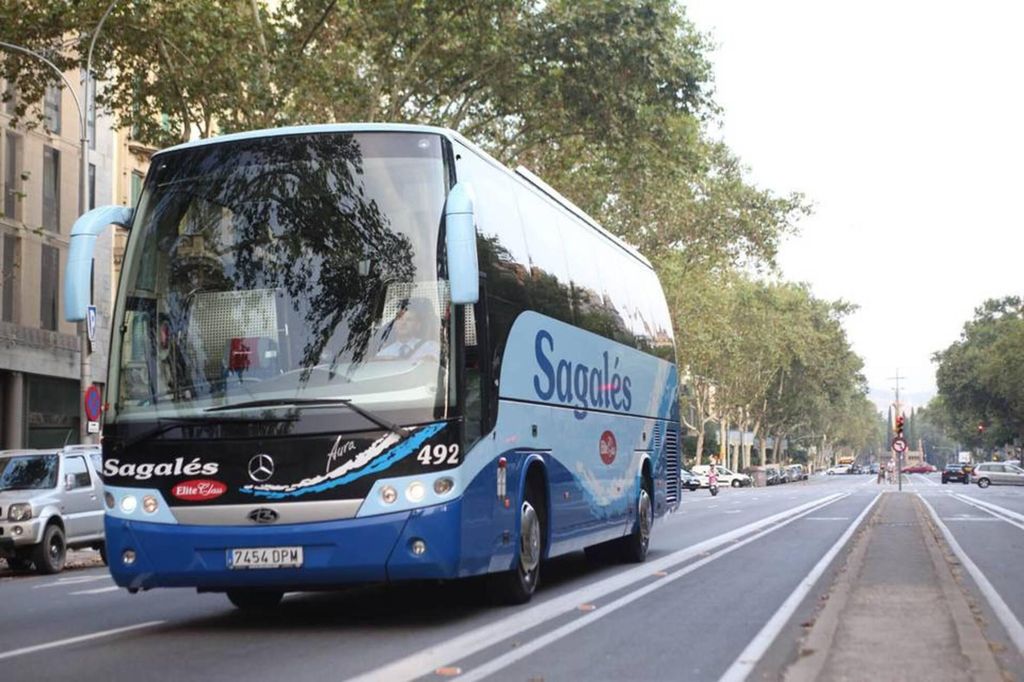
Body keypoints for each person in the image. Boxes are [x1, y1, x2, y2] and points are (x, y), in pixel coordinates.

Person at [377, 298, 441, 363]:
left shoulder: (431, 347)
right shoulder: (384, 354)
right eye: (400, 319)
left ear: (418, 325)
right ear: (395, 324)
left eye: (409, 320)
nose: (403, 323)